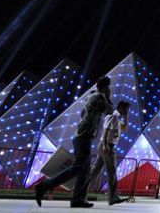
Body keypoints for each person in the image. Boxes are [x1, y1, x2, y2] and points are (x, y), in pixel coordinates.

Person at [34, 76, 112, 208]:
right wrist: (108, 97)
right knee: (78, 167)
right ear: (106, 87)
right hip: (84, 135)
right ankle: (44, 186)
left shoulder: (90, 96)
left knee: (84, 170)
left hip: (81, 135)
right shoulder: (100, 97)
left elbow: (83, 114)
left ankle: (78, 199)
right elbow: (109, 113)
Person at [81, 101, 130, 205]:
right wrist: (105, 144)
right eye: (126, 109)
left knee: (94, 171)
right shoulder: (112, 116)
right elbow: (105, 130)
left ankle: (80, 193)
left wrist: (126, 117)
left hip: (106, 146)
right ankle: (112, 197)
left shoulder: (117, 119)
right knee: (111, 172)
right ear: (121, 107)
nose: (127, 111)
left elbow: (124, 128)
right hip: (108, 146)